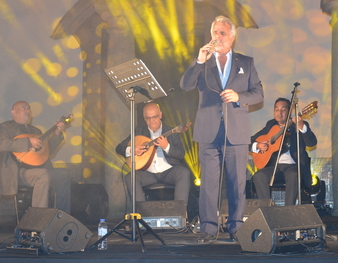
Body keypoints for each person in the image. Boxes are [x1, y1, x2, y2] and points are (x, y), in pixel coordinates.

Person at [180, 16, 263, 243]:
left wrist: (239, 97)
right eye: (215, 32)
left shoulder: (245, 63)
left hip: (236, 131)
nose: (218, 37)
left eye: (223, 33)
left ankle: (236, 227)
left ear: (232, 37)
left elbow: (258, 94)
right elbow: (185, 85)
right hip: (208, 130)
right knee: (208, 183)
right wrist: (198, 61)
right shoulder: (203, 62)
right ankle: (208, 229)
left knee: (237, 183)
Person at [0, 101, 71, 212]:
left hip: (39, 170)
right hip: (16, 172)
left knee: (63, 174)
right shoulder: (6, 127)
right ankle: (38, 218)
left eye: (29, 108)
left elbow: (48, 151)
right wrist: (28, 142)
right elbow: (0, 145)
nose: (28, 111)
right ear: (13, 112)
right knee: (43, 174)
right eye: (23, 108)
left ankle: (61, 215)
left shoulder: (36, 131)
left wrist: (57, 132)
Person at [115, 102, 192, 206]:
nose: (152, 121)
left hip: (169, 171)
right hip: (148, 173)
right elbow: (119, 148)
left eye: (155, 117)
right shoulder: (139, 131)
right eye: (148, 118)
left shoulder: (172, 131)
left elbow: (180, 154)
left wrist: (166, 147)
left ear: (160, 115)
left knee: (184, 173)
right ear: (144, 118)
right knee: (130, 177)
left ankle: (179, 214)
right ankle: (141, 215)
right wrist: (131, 150)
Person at [251, 97, 317, 207]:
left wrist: (301, 127)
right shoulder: (270, 125)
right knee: (259, 176)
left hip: (292, 166)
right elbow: (250, 141)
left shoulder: (298, 124)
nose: (279, 113)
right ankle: (267, 210)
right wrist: (257, 145)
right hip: (273, 167)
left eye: (283, 109)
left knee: (293, 175)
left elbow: (311, 142)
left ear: (290, 111)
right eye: (276, 109)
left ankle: (288, 211)